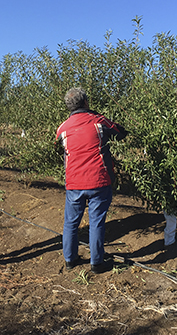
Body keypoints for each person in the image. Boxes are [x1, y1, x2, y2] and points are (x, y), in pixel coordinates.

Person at [56, 88, 127, 274]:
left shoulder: (62, 128)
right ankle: (97, 263)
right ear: (86, 103)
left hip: (74, 182)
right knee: (96, 222)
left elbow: (60, 146)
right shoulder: (98, 122)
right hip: (98, 180)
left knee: (71, 222)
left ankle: (70, 260)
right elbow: (120, 132)